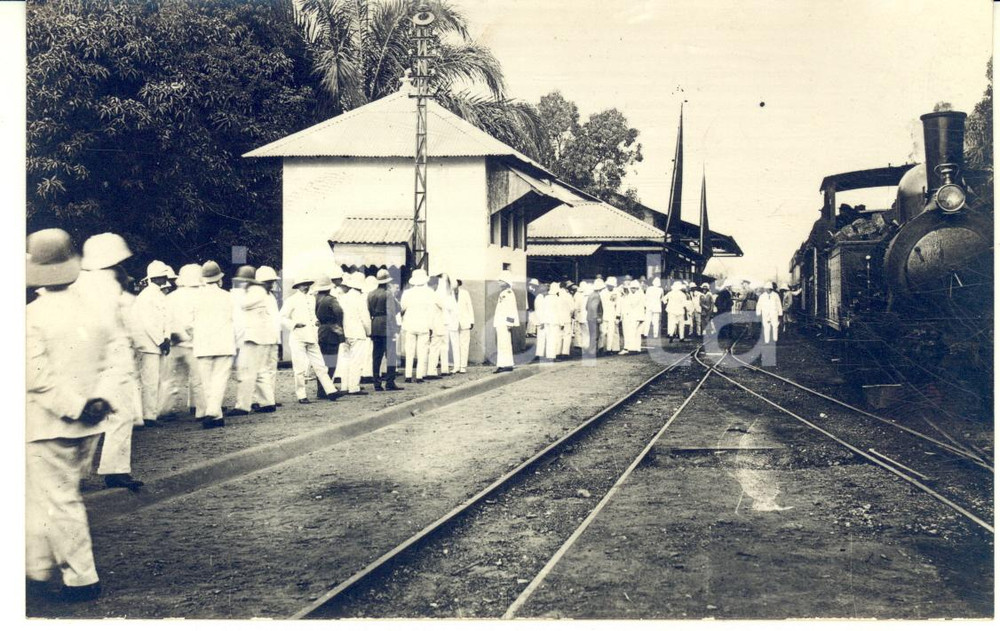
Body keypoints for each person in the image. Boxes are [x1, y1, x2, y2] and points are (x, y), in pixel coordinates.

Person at [26, 229, 124, 602]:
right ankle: (33, 568)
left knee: (58, 499)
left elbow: (35, 376)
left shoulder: (30, 317)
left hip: (46, 423)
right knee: (40, 496)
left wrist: (75, 405)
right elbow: (117, 357)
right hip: (91, 422)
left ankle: (81, 578)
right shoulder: (95, 311)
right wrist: (99, 399)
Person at [76, 233, 144, 491]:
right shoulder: (113, 285)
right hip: (114, 360)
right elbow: (131, 324)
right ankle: (115, 469)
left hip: (83, 361)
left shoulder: (78, 282)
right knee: (119, 415)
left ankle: (78, 473)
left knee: (88, 418)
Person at [193, 261, 237, 428]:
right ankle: (213, 411)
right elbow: (236, 320)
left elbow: (189, 322)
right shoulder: (228, 296)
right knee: (219, 380)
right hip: (224, 343)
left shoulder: (196, 297)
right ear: (219, 279)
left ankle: (216, 417)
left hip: (203, 345)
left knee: (207, 382)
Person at [281, 277, 338, 403]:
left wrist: (316, 321)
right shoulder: (291, 300)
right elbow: (282, 317)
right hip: (298, 337)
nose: (306, 287)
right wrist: (294, 324)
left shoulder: (312, 299)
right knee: (299, 368)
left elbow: (313, 315)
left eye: (307, 284)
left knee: (321, 366)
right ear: (297, 286)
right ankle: (301, 395)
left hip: (312, 336)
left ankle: (330, 391)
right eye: (303, 285)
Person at [160, 264, 206, 421]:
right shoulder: (201, 295)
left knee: (171, 380)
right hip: (194, 343)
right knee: (199, 379)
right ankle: (201, 410)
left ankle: (164, 409)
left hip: (174, 342)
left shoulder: (171, 296)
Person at [130, 260, 171, 427]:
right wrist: (162, 340)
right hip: (149, 343)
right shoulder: (147, 296)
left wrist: (166, 337)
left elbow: (165, 320)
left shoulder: (154, 295)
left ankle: (147, 414)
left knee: (150, 380)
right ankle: (149, 416)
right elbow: (149, 323)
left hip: (152, 342)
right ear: (159, 278)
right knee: (150, 381)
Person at [227, 265, 257, 416]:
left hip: (238, 338)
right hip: (246, 338)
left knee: (242, 373)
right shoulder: (249, 296)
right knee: (246, 372)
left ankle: (243, 406)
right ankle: (247, 402)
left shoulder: (233, 296)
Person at [368, 268, 403, 390]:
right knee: (391, 355)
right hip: (387, 326)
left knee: (376, 356)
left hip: (375, 324)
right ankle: (390, 382)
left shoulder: (371, 294)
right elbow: (393, 312)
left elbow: (369, 311)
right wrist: (394, 329)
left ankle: (376, 383)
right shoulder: (388, 294)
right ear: (387, 282)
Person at [252, 266, 281, 411]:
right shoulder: (255, 296)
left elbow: (275, 318)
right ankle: (258, 400)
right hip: (261, 338)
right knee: (260, 370)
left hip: (273, 338)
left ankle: (270, 398)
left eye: (272, 281)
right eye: (268, 282)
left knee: (271, 369)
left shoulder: (271, 296)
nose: (271, 284)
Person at [400, 268, 435, 382]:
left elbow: (402, 308)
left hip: (409, 324)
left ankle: (408, 375)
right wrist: (431, 326)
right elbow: (431, 311)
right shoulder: (430, 293)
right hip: (424, 324)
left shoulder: (407, 293)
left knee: (409, 351)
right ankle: (419, 375)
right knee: (422, 351)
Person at [493, 270, 519, 372]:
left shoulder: (508, 293)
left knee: (504, 344)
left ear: (506, 281)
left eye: (501, 281)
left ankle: (504, 365)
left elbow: (511, 309)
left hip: (504, 323)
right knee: (503, 343)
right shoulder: (505, 292)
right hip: (501, 322)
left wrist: (509, 322)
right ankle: (506, 364)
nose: (499, 282)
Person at [454, 278, 475, 373]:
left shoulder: (465, 293)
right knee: (455, 345)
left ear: (458, 284)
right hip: (453, 323)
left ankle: (463, 366)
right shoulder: (448, 295)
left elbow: (469, 306)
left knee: (464, 344)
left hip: (465, 321)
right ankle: (456, 366)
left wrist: (471, 321)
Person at [584, 280, 603, 358]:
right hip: (594, 318)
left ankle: (591, 351)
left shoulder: (590, 295)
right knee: (595, 335)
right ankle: (592, 352)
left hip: (589, 317)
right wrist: (598, 316)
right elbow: (594, 307)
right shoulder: (597, 296)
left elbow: (586, 307)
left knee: (592, 334)